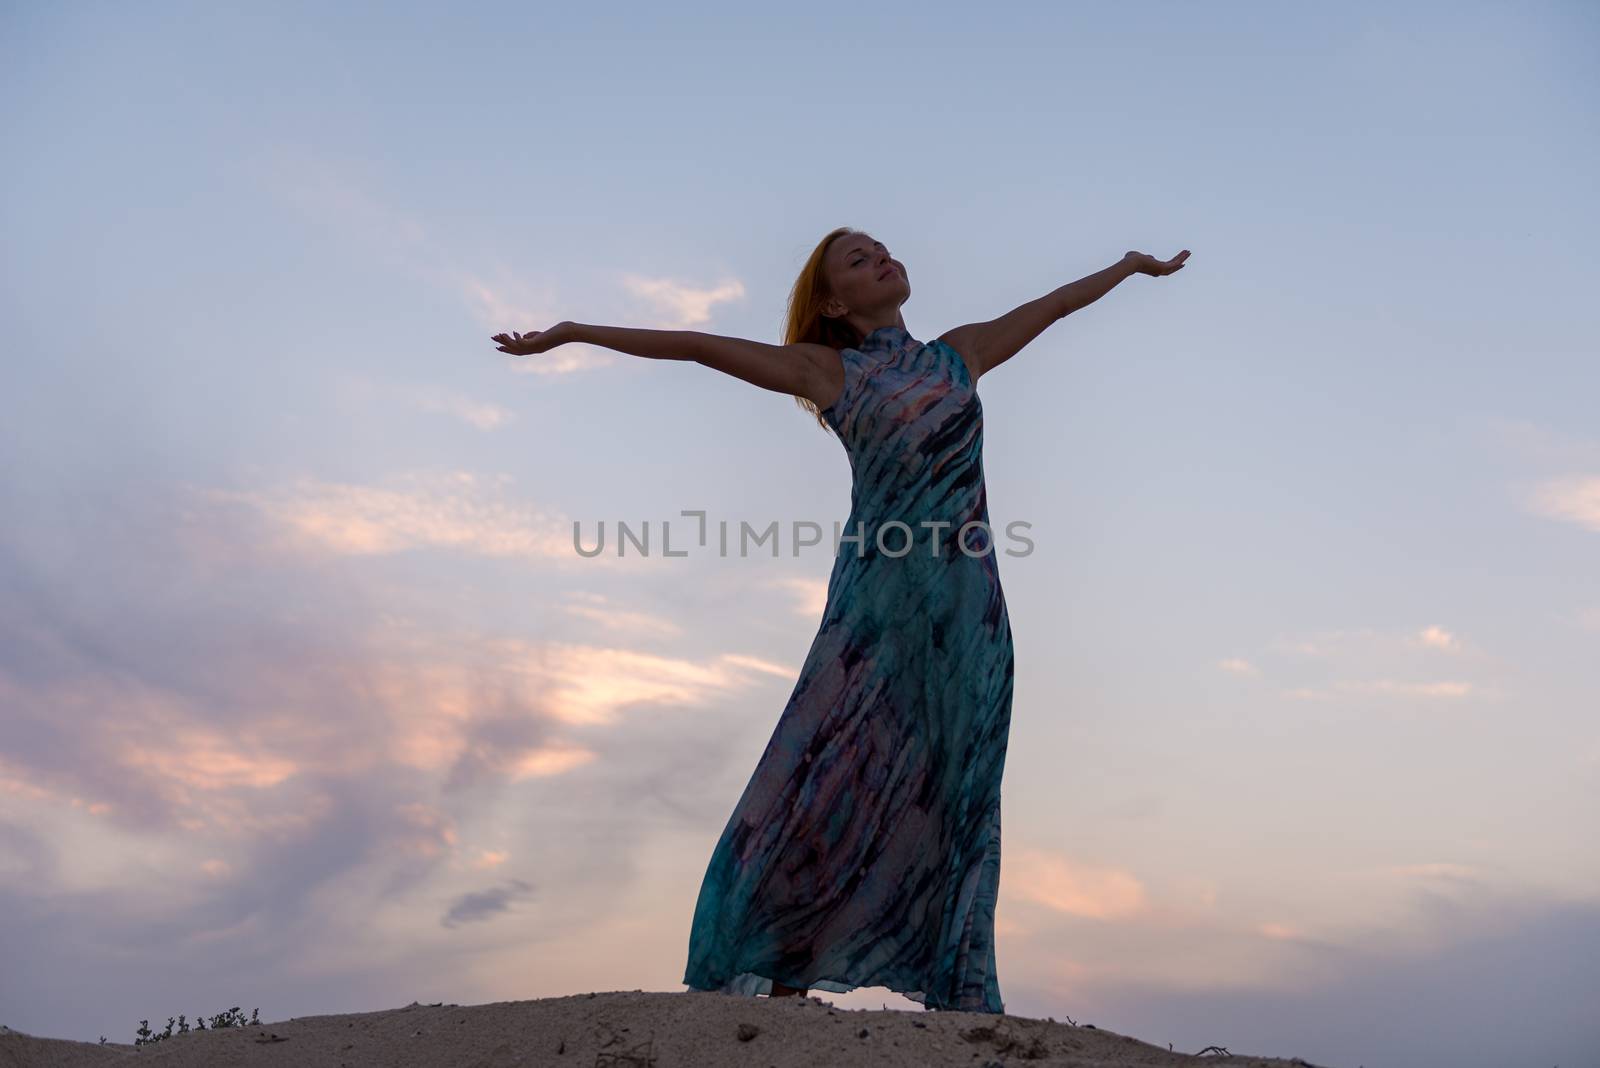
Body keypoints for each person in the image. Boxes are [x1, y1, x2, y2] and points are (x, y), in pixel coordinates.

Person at [492, 229, 1188, 1012]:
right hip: (873, 620)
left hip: (968, 613)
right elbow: (693, 345)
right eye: (860, 261)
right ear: (833, 301)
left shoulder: (959, 355)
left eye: (883, 249)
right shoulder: (828, 372)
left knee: (961, 788)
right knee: (821, 778)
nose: (883, 259)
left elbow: (1057, 305)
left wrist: (1130, 269)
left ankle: (957, 987)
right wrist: (575, 332)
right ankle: (776, 959)